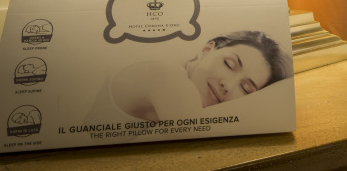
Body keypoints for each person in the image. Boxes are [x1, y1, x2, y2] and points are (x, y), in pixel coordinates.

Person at [106, 30, 293, 122]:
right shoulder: (167, 76)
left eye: (245, 88)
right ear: (206, 50)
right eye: (229, 65)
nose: (227, 85)